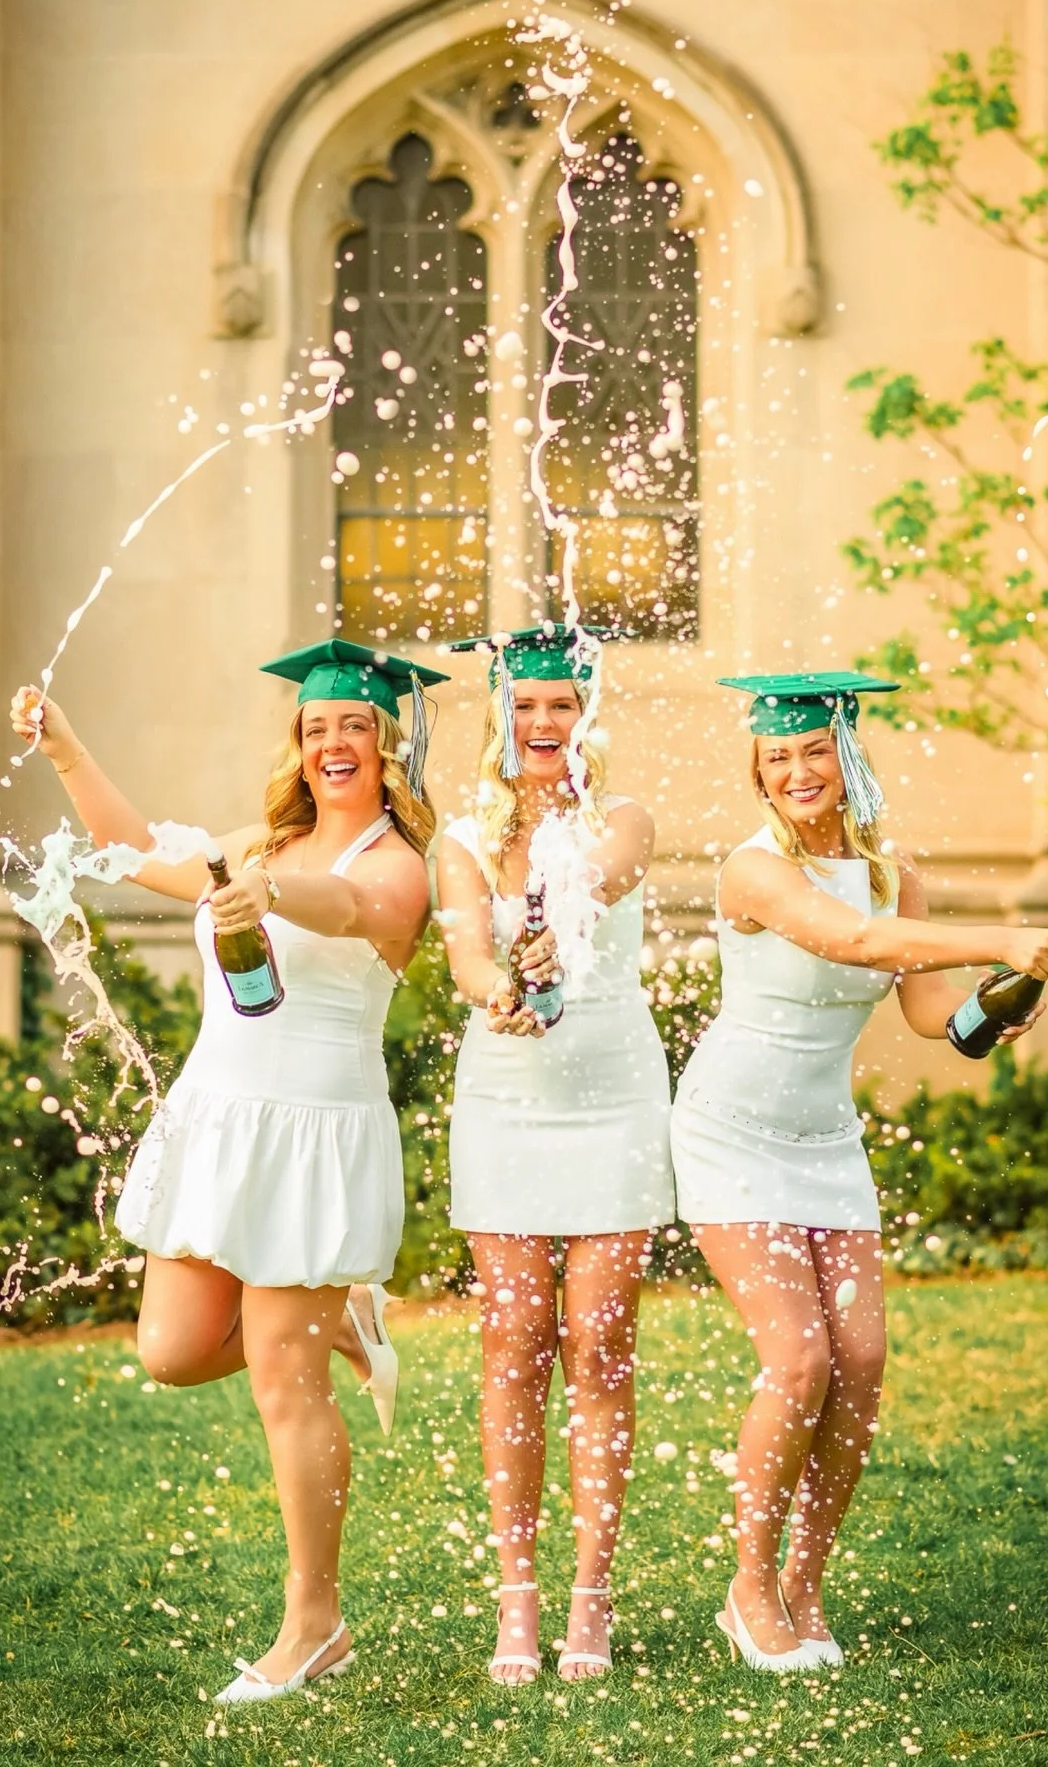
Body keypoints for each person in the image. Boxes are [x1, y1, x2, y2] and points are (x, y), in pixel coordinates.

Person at [7, 638, 447, 1704]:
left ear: (390, 746)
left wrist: (267, 894)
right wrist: (65, 750)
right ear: (298, 750)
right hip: (220, 1122)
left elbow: (343, 912)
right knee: (168, 1350)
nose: (334, 742)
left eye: (355, 727)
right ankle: (338, 1315)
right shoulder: (262, 842)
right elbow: (133, 847)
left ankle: (315, 1626)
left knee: (279, 1385)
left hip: (314, 1136)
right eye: (316, 728)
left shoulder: (396, 867)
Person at [670, 671, 1048, 1674]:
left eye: (814, 751)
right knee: (798, 1362)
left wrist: (993, 1004)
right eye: (777, 758)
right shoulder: (753, 871)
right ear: (759, 777)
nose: (797, 771)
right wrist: (1005, 933)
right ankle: (749, 1590)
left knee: (859, 1369)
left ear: (846, 756)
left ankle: (806, 1586)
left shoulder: (894, 872)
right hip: (729, 1130)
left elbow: (927, 1008)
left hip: (821, 1139)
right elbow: (851, 940)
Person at [436, 626, 674, 1685]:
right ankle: (519, 1602)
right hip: (505, 1101)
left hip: (615, 1095)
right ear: (500, 716)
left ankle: (593, 1596)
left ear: (588, 716)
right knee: (514, 1340)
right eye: (526, 706)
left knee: (602, 1337)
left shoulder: (623, 820)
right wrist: (501, 989)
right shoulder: (461, 840)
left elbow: (603, 884)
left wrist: (552, 938)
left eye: (562, 705)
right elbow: (462, 954)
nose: (543, 724)